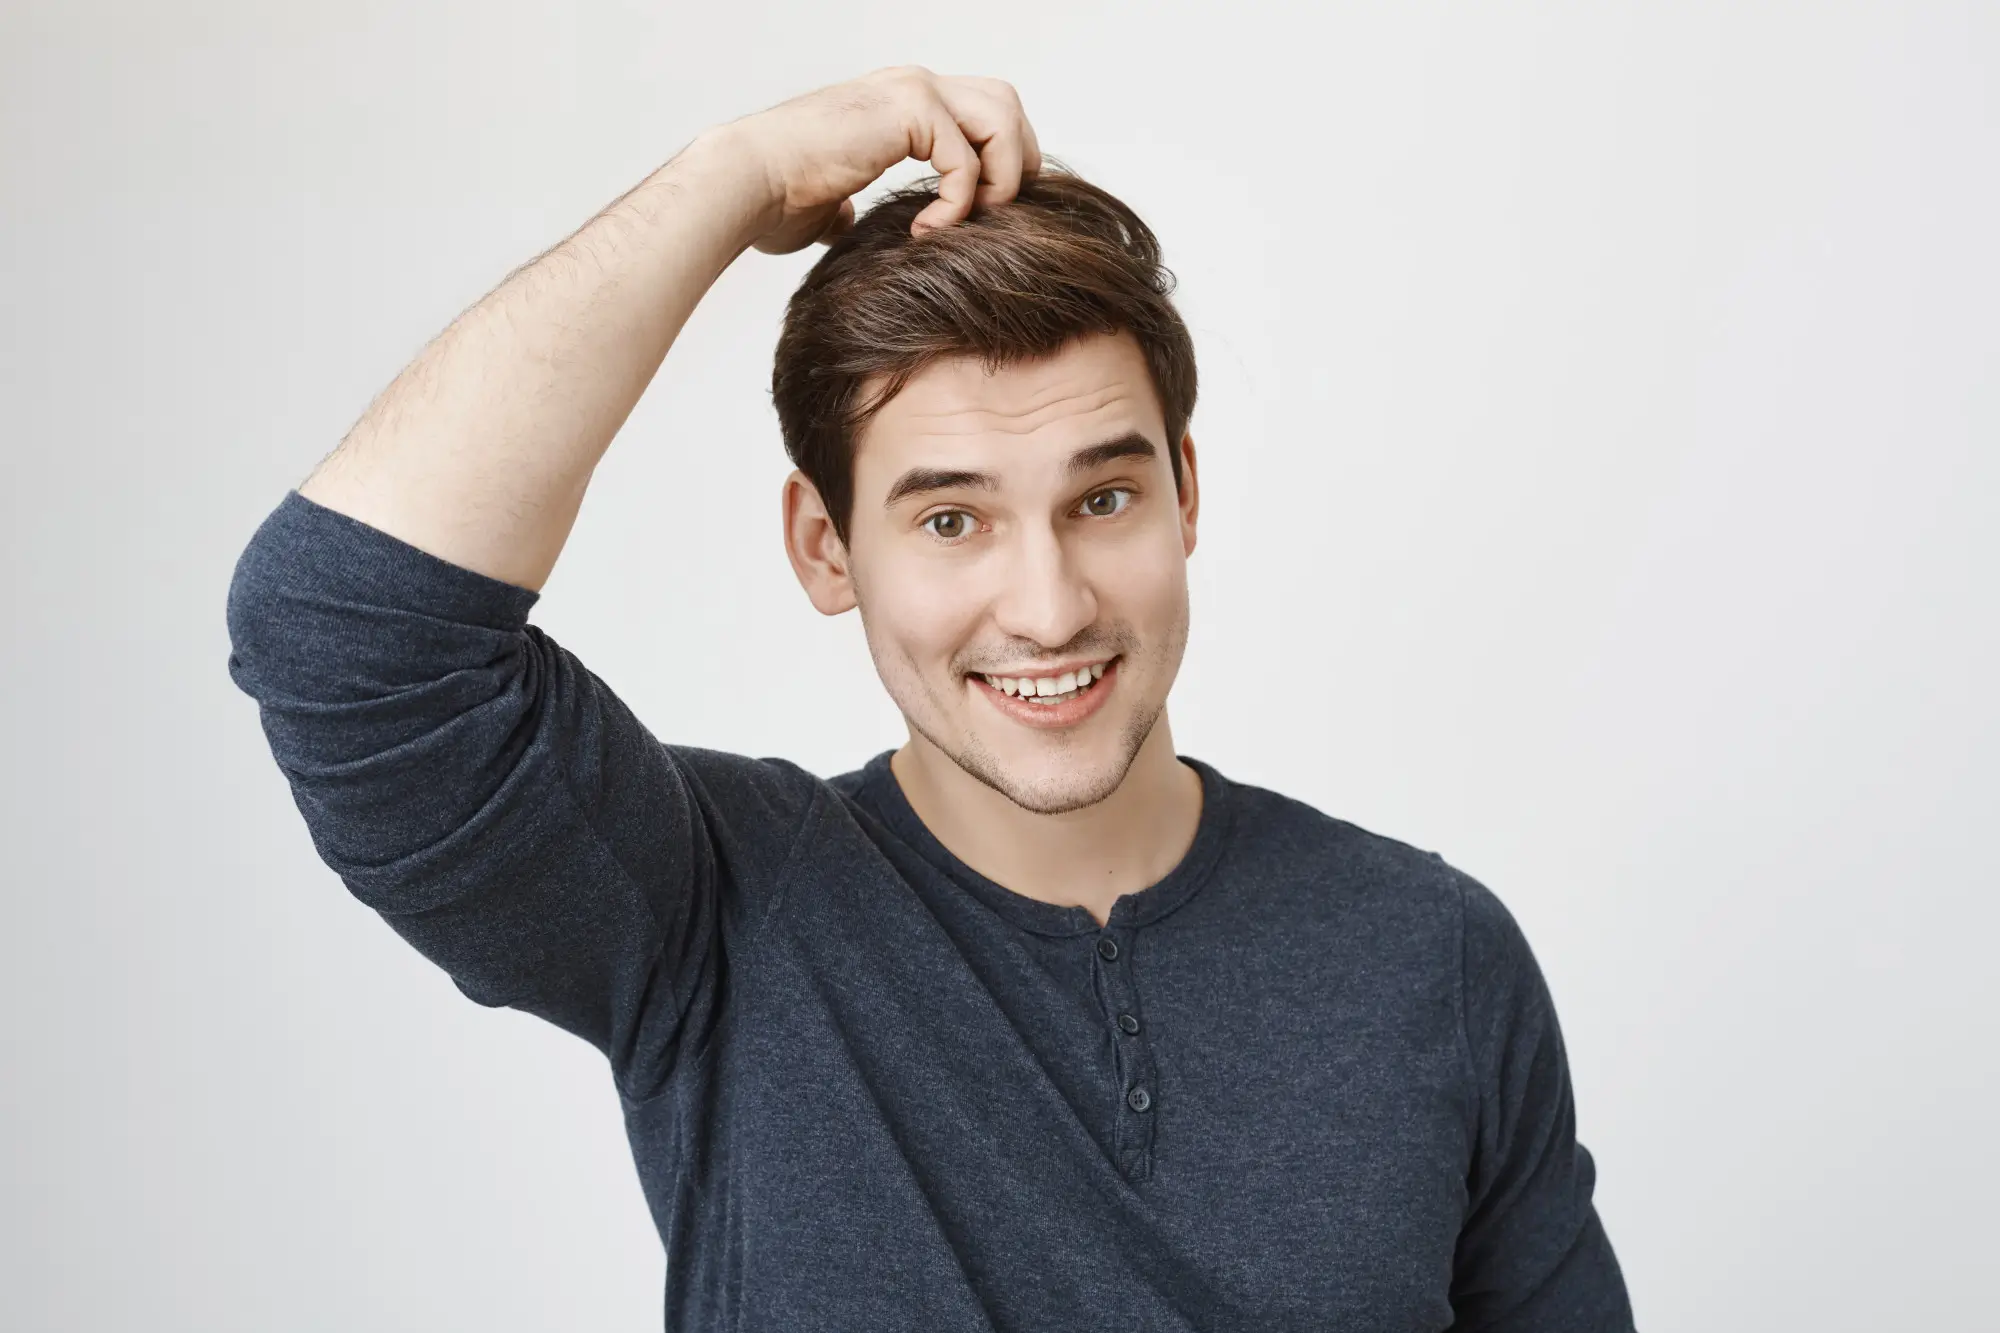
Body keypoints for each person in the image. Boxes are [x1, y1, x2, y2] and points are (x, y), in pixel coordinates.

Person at [225, 65, 1635, 1331]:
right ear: (825, 548)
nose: (1050, 603)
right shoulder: (711, 912)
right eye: (951, 521)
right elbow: (339, 635)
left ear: (1186, 495)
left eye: (1104, 495)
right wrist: (736, 174)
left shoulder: (1431, 954)